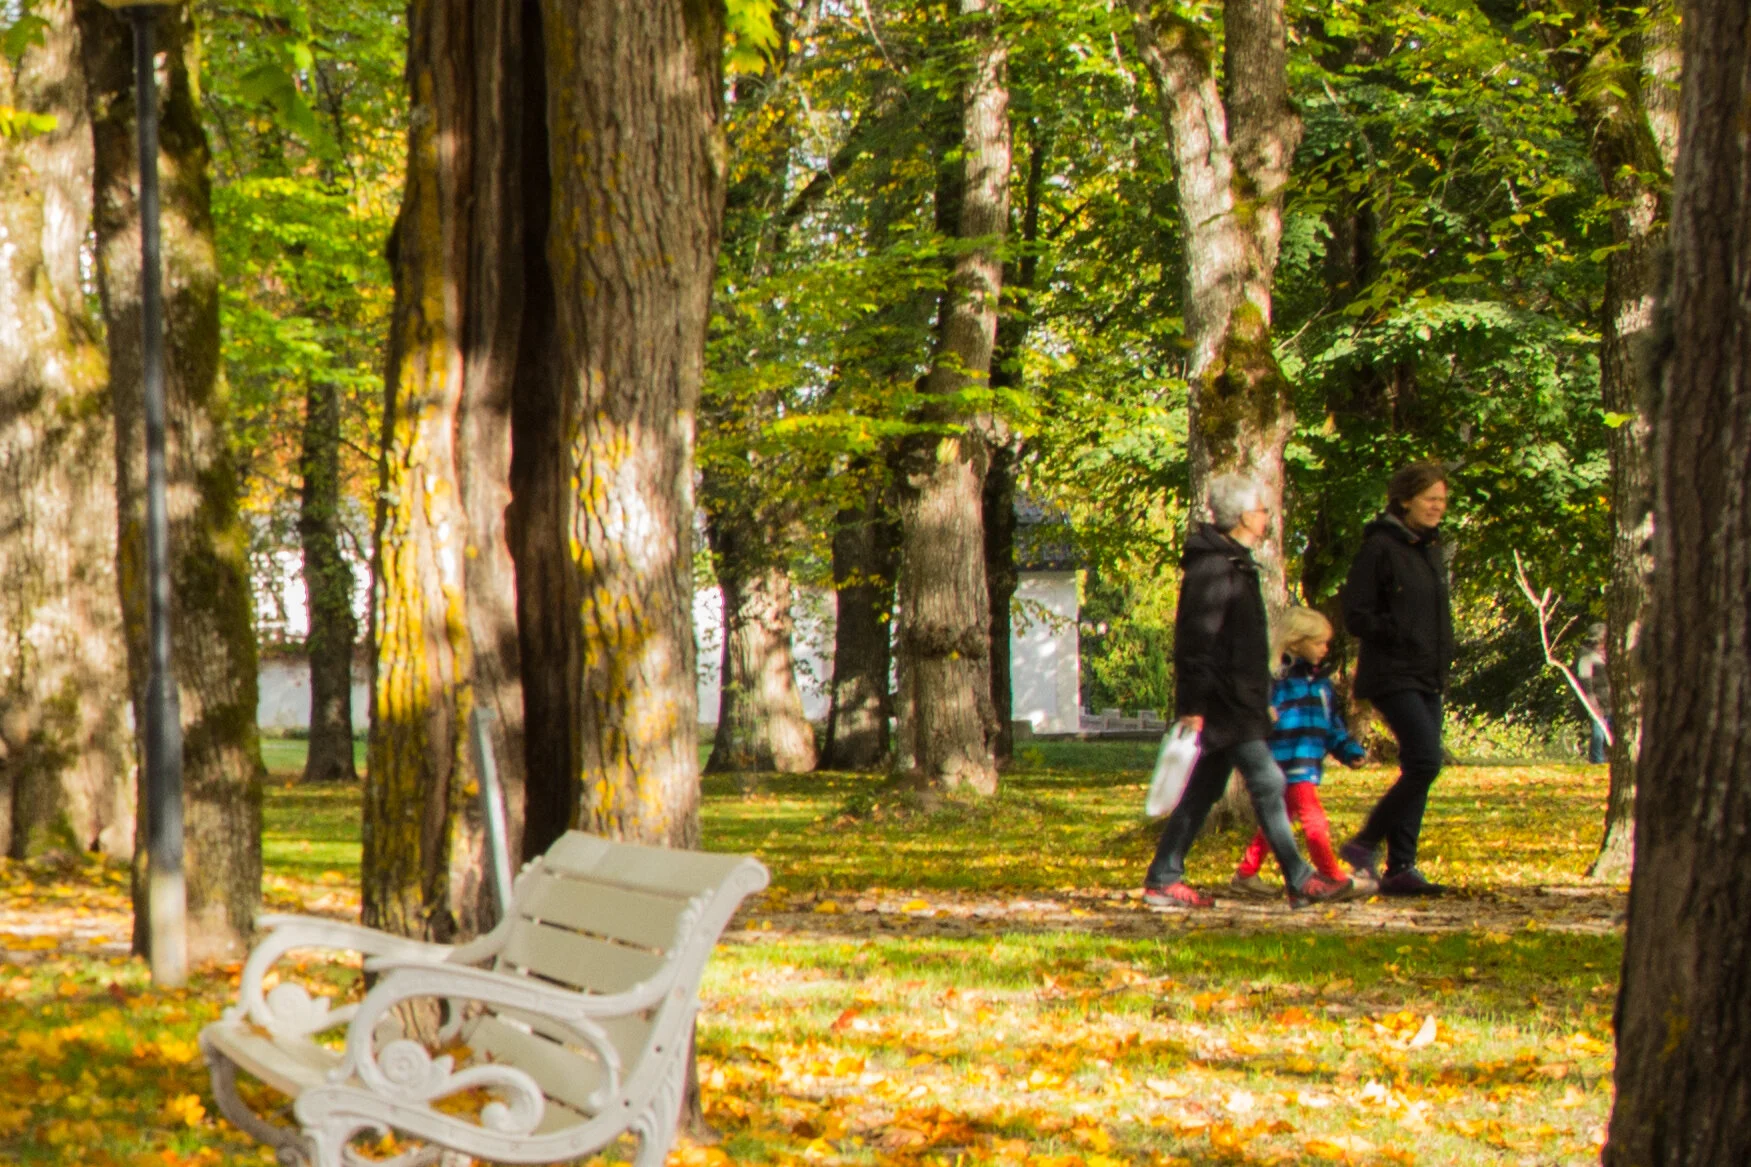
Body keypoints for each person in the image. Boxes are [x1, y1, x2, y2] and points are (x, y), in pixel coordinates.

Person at [1143, 475, 1355, 910]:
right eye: (1261, 510)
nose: (1266, 518)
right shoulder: (1213, 569)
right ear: (1242, 516)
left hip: (1237, 700)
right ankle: (1300, 879)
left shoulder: (1234, 564)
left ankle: (1163, 877)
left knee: (1204, 790)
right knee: (1269, 781)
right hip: (1224, 702)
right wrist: (1193, 706)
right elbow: (1195, 642)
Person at [1338, 461, 1454, 897]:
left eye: (1443, 500)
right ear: (1405, 500)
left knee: (1419, 769)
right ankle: (1365, 841)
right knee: (1426, 761)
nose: (1438, 507)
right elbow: (1357, 615)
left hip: (1427, 673)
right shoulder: (1380, 548)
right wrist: (1398, 631)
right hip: (1391, 672)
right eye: (1430, 499)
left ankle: (1401, 866)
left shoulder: (1430, 550)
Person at [1229, 608, 1370, 897]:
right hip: (1284, 761)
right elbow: (1256, 716)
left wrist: (1348, 750)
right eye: (1318, 643)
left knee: (1277, 821)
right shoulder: (1275, 681)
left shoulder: (1321, 685)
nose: (1325, 649)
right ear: (1296, 642)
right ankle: (1331, 875)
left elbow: (1332, 725)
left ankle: (1246, 873)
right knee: (1313, 817)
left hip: (1307, 762)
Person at [1573, 623, 1610, 764]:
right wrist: (1593, 705)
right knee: (1599, 733)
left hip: (1610, 701)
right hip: (1598, 702)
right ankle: (1597, 761)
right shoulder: (1586, 656)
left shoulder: (1607, 654)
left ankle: (1606, 760)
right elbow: (1586, 686)